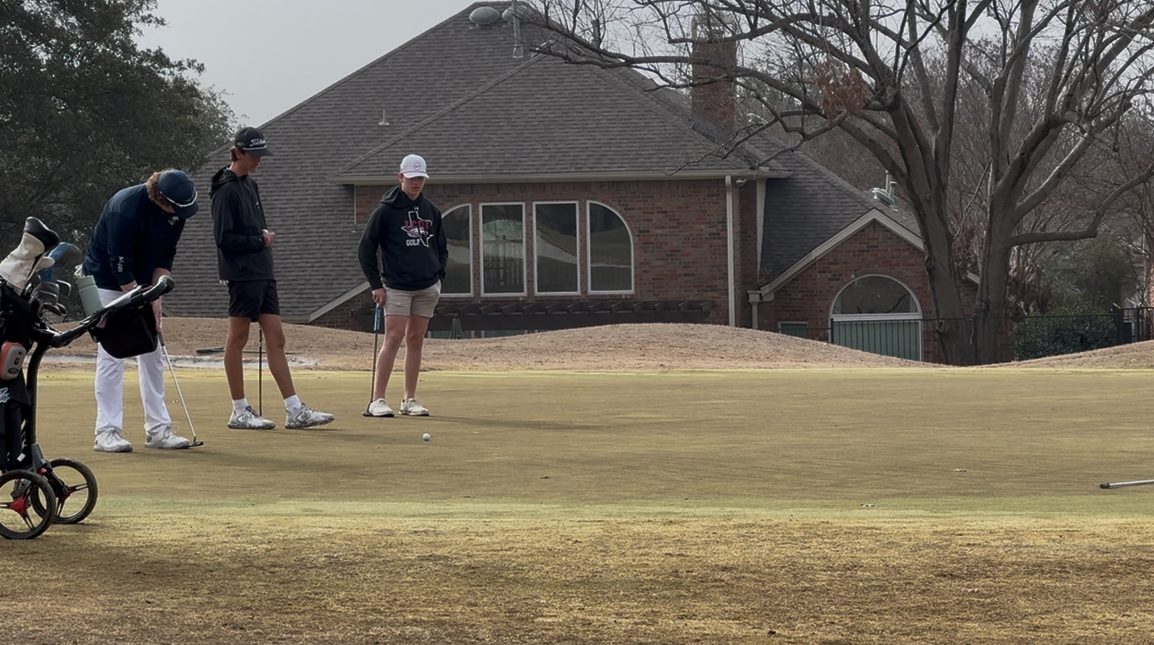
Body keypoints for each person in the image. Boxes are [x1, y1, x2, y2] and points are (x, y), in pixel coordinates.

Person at [211, 126, 334, 430]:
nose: (258, 160)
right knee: (237, 339)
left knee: (277, 339)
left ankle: (294, 409)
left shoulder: (250, 186)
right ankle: (239, 409)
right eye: (254, 155)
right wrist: (260, 241)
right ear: (238, 152)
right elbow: (224, 239)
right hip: (242, 274)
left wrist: (261, 241)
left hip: (263, 271)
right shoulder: (225, 190)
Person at [81, 170, 199, 452]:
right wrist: (141, 298)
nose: (181, 215)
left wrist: (156, 294)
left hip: (143, 279)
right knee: (112, 352)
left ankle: (158, 430)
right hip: (105, 281)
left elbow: (164, 256)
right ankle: (106, 432)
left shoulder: (175, 214)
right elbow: (118, 265)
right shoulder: (125, 209)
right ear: (160, 198)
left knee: (151, 349)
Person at [358, 154, 447, 417]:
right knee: (393, 338)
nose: (416, 183)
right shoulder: (385, 211)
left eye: (420, 178)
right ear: (400, 177)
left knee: (416, 339)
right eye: (411, 178)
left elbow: (441, 248)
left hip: (427, 285)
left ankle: (409, 399)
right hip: (396, 285)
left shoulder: (432, 211)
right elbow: (366, 249)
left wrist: (439, 275)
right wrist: (376, 284)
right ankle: (378, 399)